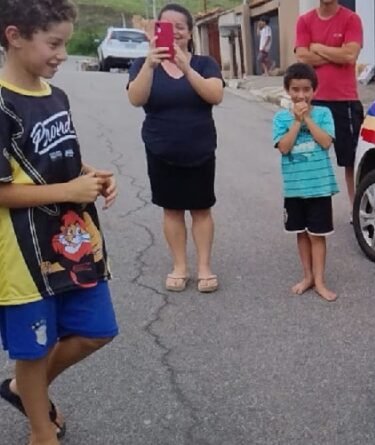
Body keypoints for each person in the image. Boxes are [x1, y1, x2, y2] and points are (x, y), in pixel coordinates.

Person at [0, 1, 119, 443]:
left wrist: (89, 175)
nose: (63, 54)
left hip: (72, 241)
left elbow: (55, 156)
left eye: (65, 43)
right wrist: (69, 191)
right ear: (14, 36)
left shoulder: (56, 95)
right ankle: (40, 429)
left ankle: (22, 390)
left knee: (97, 331)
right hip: (20, 255)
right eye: (54, 43)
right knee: (32, 349)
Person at [127, 3, 225, 294]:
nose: (174, 32)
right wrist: (149, 64)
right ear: (156, 31)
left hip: (200, 149)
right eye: (166, 27)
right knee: (171, 210)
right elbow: (136, 98)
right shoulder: (143, 65)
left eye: (179, 27)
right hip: (160, 149)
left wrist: (185, 66)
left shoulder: (205, 63)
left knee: (201, 209)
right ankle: (179, 266)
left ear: (189, 32)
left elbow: (215, 94)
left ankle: (204, 266)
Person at [273, 63, 339, 302]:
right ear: (287, 90)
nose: (301, 95)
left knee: (317, 235)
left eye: (306, 90)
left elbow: (325, 142)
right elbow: (284, 147)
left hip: (319, 187)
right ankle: (307, 276)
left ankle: (320, 281)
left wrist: (307, 119)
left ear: (314, 91)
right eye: (295, 89)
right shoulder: (281, 118)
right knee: (301, 233)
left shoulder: (323, 114)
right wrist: (296, 122)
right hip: (294, 189)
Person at [295, 0, 364, 211]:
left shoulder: (351, 19)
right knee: (311, 156)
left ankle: (357, 209)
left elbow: (350, 55)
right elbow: (303, 57)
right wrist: (337, 54)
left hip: (346, 101)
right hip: (313, 100)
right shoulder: (305, 21)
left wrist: (318, 48)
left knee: (353, 159)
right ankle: (315, 207)